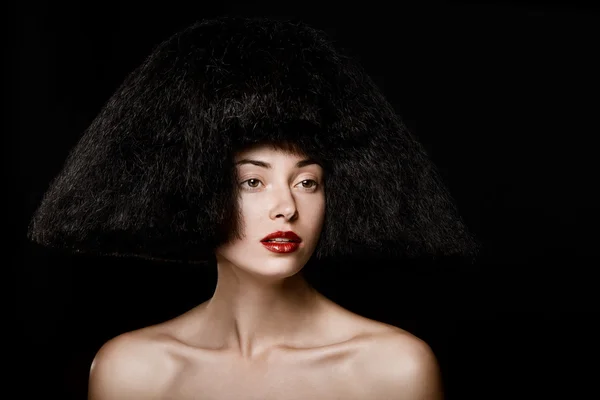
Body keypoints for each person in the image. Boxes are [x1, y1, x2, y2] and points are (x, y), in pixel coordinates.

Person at [28, 16, 478, 399]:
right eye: (252, 181)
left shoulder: (393, 371)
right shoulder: (134, 373)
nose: (286, 207)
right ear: (193, 187)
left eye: (307, 181)